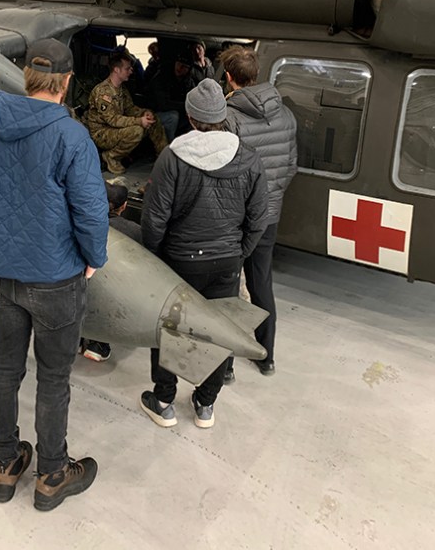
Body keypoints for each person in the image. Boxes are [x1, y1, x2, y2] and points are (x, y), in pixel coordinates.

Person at [0, 38, 108, 512]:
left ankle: (5, 465)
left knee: (5, 368)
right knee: (53, 378)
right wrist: (93, 257)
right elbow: (90, 211)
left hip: (3, 277)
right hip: (57, 278)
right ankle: (52, 474)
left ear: (27, 78)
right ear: (65, 83)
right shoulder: (72, 137)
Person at [140, 78, 269, 428]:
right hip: (225, 261)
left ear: (190, 116)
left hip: (179, 261)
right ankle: (205, 404)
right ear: (222, 116)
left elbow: (154, 217)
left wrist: (153, 257)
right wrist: (238, 253)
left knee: (168, 330)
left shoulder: (173, 157)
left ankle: (164, 400)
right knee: (216, 330)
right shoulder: (249, 158)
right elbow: (259, 217)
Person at [222, 45, 297, 377]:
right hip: (268, 215)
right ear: (256, 75)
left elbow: (223, 173)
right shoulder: (287, 115)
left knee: (225, 289)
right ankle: (266, 356)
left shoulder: (228, 118)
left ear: (228, 77)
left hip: (235, 220)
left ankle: (223, 367)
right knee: (261, 283)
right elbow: (290, 166)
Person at [82, 181, 141, 363]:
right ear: (124, 206)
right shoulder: (134, 231)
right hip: (111, 292)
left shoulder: (82, 223)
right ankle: (98, 345)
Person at [87, 50, 167, 174]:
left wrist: (145, 113)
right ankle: (111, 156)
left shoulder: (121, 89)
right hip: (102, 132)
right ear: (116, 70)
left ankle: (164, 158)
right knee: (137, 130)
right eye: (127, 68)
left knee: (153, 120)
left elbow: (130, 109)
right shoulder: (103, 92)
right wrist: (139, 121)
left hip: (115, 128)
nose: (131, 71)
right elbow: (112, 119)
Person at [145, 53, 193, 140]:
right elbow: (163, 104)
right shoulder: (161, 78)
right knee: (173, 117)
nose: (180, 68)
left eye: (184, 66)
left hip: (178, 113)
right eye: (178, 64)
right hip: (153, 114)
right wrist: (185, 106)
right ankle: (168, 147)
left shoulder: (188, 81)